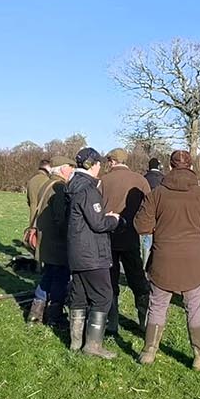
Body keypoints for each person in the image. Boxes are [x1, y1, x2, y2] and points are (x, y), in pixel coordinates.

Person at [132, 150, 200, 369]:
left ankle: (148, 352)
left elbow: (141, 226)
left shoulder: (157, 194)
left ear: (170, 167)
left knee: (157, 306)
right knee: (194, 307)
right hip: (193, 260)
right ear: (191, 167)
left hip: (163, 259)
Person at [62, 147, 124, 359]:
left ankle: (75, 342)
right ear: (93, 165)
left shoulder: (70, 187)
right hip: (92, 254)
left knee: (79, 296)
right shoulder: (89, 190)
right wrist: (113, 219)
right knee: (103, 296)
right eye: (98, 164)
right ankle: (93, 346)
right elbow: (98, 224)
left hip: (76, 252)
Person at [102, 149, 152, 330]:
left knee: (110, 279)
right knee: (137, 278)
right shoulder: (140, 180)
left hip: (108, 237)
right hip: (131, 235)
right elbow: (149, 206)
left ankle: (112, 323)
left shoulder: (103, 181)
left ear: (112, 161)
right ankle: (144, 321)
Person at [24, 157, 73, 327]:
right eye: (70, 167)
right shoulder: (59, 187)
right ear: (61, 169)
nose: (72, 170)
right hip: (58, 243)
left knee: (48, 277)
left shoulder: (47, 184)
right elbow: (61, 218)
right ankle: (55, 316)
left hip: (46, 241)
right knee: (60, 278)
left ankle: (34, 314)